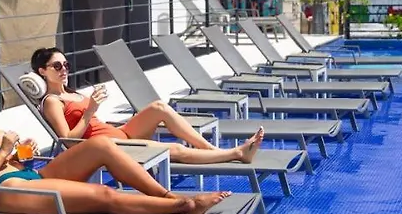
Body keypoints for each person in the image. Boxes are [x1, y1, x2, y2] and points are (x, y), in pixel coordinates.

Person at [0, 68, 229, 214]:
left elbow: (12, 159)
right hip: (8, 190)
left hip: (30, 175)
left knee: (102, 145)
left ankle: (166, 195)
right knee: (103, 194)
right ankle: (185, 205)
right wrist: (4, 153)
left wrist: (22, 153)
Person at [30, 47, 264, 165]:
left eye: (66, 65)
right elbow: (68, 141)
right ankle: (236, 154)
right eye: (57, 66)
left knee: (159, 107)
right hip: (108, 146)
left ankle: (210, 148)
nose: (64, 70)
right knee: (171, 149)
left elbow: (92, 122)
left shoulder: (71, 93)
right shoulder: (52, 102)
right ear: (42, 71)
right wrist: (90, 110)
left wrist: (93, 108)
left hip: (119, 133)